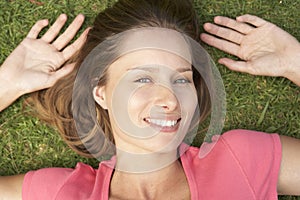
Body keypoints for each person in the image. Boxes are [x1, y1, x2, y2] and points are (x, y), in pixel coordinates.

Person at [0, 0, 299, 199]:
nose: (170, 99)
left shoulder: (240, 161)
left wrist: (296, 64)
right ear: (101, 92)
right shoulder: (63, 193)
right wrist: (5, 85)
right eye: (143, 78)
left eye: (182, 79)